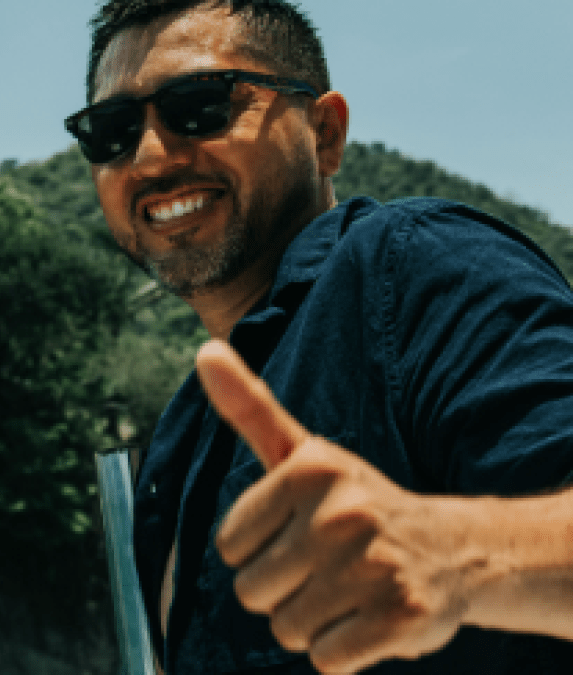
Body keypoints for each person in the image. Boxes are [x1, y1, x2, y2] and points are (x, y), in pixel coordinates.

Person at [65, 1, 573, 673]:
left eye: (201, 106)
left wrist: (457, 554)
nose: (152, 155)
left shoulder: (416, 268)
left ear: (325, 132)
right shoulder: (182, 439)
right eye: (113, 131)